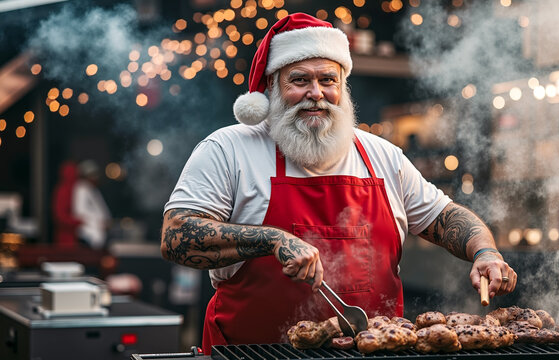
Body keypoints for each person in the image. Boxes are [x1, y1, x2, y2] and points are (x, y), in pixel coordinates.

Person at [161, 13, 517, 350]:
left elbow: (444, 217)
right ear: (272, 86)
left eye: (327, 80)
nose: (316, 92)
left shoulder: (381, 155)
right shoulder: (229, 149)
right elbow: (176, 236)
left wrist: (484, 251)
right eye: (300, 80)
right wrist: (271, 240)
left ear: (342, 87)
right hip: (251, 351)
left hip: (373, 351)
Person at [72, 159, 111, 249]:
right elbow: (80, 212)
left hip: (99, 236)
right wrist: (98, 222)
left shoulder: (93, 190)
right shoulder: (81, 189)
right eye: (92, 174)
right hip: (88, 235)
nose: (95, 177)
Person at [52, 161, 82, 247]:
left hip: (77, 235)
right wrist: (78, 222)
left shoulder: (78, 189)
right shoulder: (63, 191)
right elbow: (60, 216)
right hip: (66, 236)